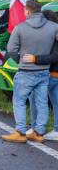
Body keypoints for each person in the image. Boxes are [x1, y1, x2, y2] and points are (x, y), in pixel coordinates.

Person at [2, 0, 58, 143]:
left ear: (27, 11)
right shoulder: (54, 27)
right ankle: (38, 132)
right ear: (40, 10)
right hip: (44, 71)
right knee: (42, 102)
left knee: (19, 100)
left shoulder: (20, 28)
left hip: (26, 71)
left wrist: (20, 60)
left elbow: (11, 50)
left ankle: (20, 132)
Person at [22, 9, 58, 141]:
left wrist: (35, 59)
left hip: (47, 73)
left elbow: (54, 56)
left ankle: (36, 128)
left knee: (35, 99)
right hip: (51, 73)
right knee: (55, 102)